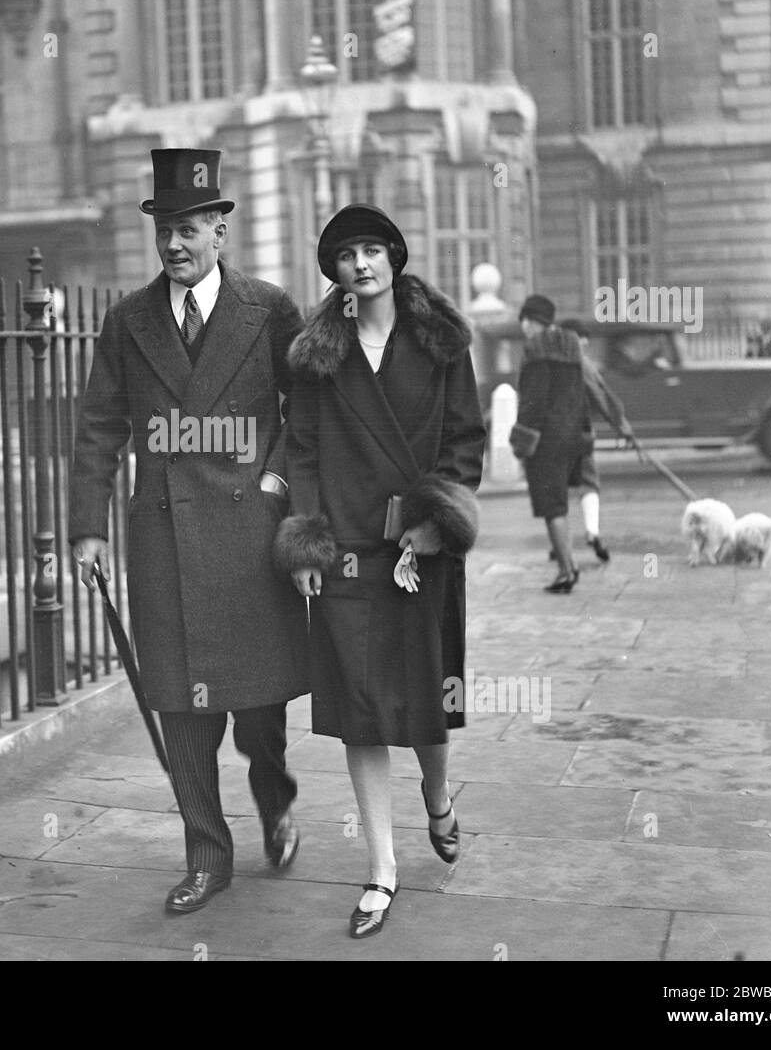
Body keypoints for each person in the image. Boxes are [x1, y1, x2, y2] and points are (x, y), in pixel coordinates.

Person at [68, 148, 308, 914]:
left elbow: (305, 413)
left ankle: (274, 800)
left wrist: (274, 480)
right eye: (165, 230)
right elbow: (100, 425)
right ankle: (208, 853)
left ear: (219, 231)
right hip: (163, 536)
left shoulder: (269, 309)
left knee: (259, 710)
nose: (174, 245)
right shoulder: (129, 319)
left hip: (251, 539)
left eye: (189, 229)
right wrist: (87, 530)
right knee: (183, 707)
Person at [272, 204, 485, 939]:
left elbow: (465, 440)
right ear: (331, 270)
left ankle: (438, 798)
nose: (360, 264)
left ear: (393, 257)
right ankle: (381, 869)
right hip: (346, 557)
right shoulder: (317, 357)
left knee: (425, 705)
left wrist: (435, 524)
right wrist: (306, 544)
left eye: (371, 250)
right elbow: (301, 449)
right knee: (359, 713)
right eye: (344, 255)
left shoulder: (441, 342)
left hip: (421, 553)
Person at [514, 295, 591, 593]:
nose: (523, 328)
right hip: (570, 437)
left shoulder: (536, 350)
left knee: (551, 507)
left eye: (525, 321)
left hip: (545, 440)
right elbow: (580, 396)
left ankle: (565, 571)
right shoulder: (570, 348)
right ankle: (569, 565)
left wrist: (522, 441)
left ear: (531, 321)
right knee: (559, 504)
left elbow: (533, 402)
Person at [557, 317, 636, 563]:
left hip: (552, 437)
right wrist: (622, 427)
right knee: (588, 484)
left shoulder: (548, 362)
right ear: (579, 340)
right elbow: (602, 398)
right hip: (579, 432)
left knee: (558, 489)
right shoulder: (583, 364)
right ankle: (592, 531)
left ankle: (559, 543)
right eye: (584, 339)